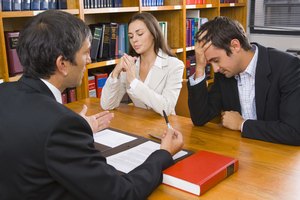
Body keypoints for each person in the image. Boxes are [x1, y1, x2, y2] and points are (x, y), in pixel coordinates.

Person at [0, 10, 183, 199]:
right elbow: (121, 194)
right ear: (62, 64)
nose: (89, 60)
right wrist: (163, 154)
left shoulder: (4, 93)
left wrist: (77, 128)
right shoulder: (59, 125)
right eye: (86, 53)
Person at [188, 16, 300, 145]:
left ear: (235, 46)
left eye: (216, 60)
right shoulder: (224, 72)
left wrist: (242, 124)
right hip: (239, 150)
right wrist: (200, 67)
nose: (216, 69)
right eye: (210, 63)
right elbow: (200, 118)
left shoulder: (287, 67)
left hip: (278, 156)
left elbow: (294, 132)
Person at [100, 12, 184, 116]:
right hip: (139, 125)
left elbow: (166, 108)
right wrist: (115, 73)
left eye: (140, 34)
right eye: (131, 36)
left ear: (154, 33)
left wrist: (134, 82)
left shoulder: (175, 65)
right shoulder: (131, 65)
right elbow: (107, 105)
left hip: (165, 127)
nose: (134, 40)